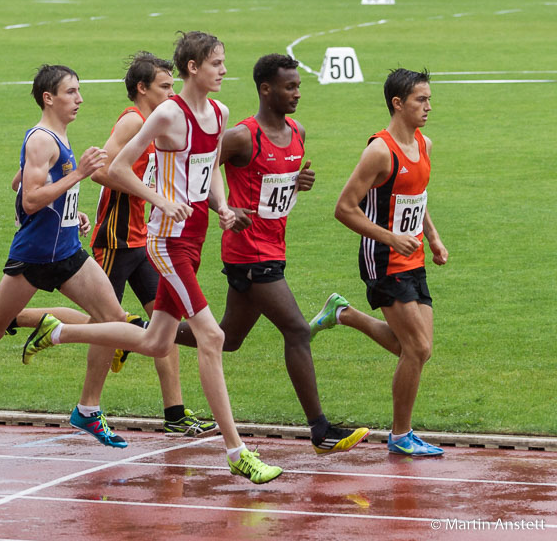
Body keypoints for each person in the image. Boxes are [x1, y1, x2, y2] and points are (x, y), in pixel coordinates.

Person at [21, 32, 283, 483]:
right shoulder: (167, 114)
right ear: (192, 68)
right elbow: (118, 167)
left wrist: (221, 207)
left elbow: (210, 169)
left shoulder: (219, 113)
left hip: (196, 235)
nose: (223, 70)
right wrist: (160, 201)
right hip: (167, 240)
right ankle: (236, 450)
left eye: (223, 62)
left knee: (156, 342)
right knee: (211, 336)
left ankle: (58, 330)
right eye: (216, 63)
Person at [0, 65, 137, 450]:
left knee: (112, 320)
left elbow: (27, 187)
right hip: (34, 256)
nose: (79, 99)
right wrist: (80, 175)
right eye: (71, 92)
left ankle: (88, 408)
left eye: (79, 91)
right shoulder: (41, 140)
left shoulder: (58, 137)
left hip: (66, 251)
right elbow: (31, 201)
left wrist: (72, 210)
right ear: (48, 98)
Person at [172, 54, 369, 455]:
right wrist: (226, 210)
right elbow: (198, 171)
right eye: (289, 86)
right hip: (247, 253)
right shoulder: (244, 136)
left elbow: (273, 188)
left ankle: (139, 331)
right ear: (266, 89)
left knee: (228, 338)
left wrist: (299, 183)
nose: (297, 93)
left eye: (298, 85)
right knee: (297, 329)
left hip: (274, 248)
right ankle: (321, 430)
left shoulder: (297, 132)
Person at [312, 68, 448, 457]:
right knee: (417, 348)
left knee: (416, 349)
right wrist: (390, 238)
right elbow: (343, 208)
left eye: (429, 99)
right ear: (398, 103)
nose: (428, 106)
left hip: (414, 256)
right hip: (384, 259)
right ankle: (401, 435)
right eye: (421, 99)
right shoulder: (379, 151)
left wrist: (433, 237)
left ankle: (345, 314)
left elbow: (415, 198)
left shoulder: (424, 144)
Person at [89, 52, 217, 437]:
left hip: (145, 239)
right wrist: (148, 192)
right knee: (105, 323)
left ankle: (175, 412)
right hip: (115, 238)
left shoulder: (162, 125)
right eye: (164, 86)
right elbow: (101, 171)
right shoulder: (133, 121)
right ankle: (88, 405)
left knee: (166, 324)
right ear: (142, 89)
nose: (172, 92)